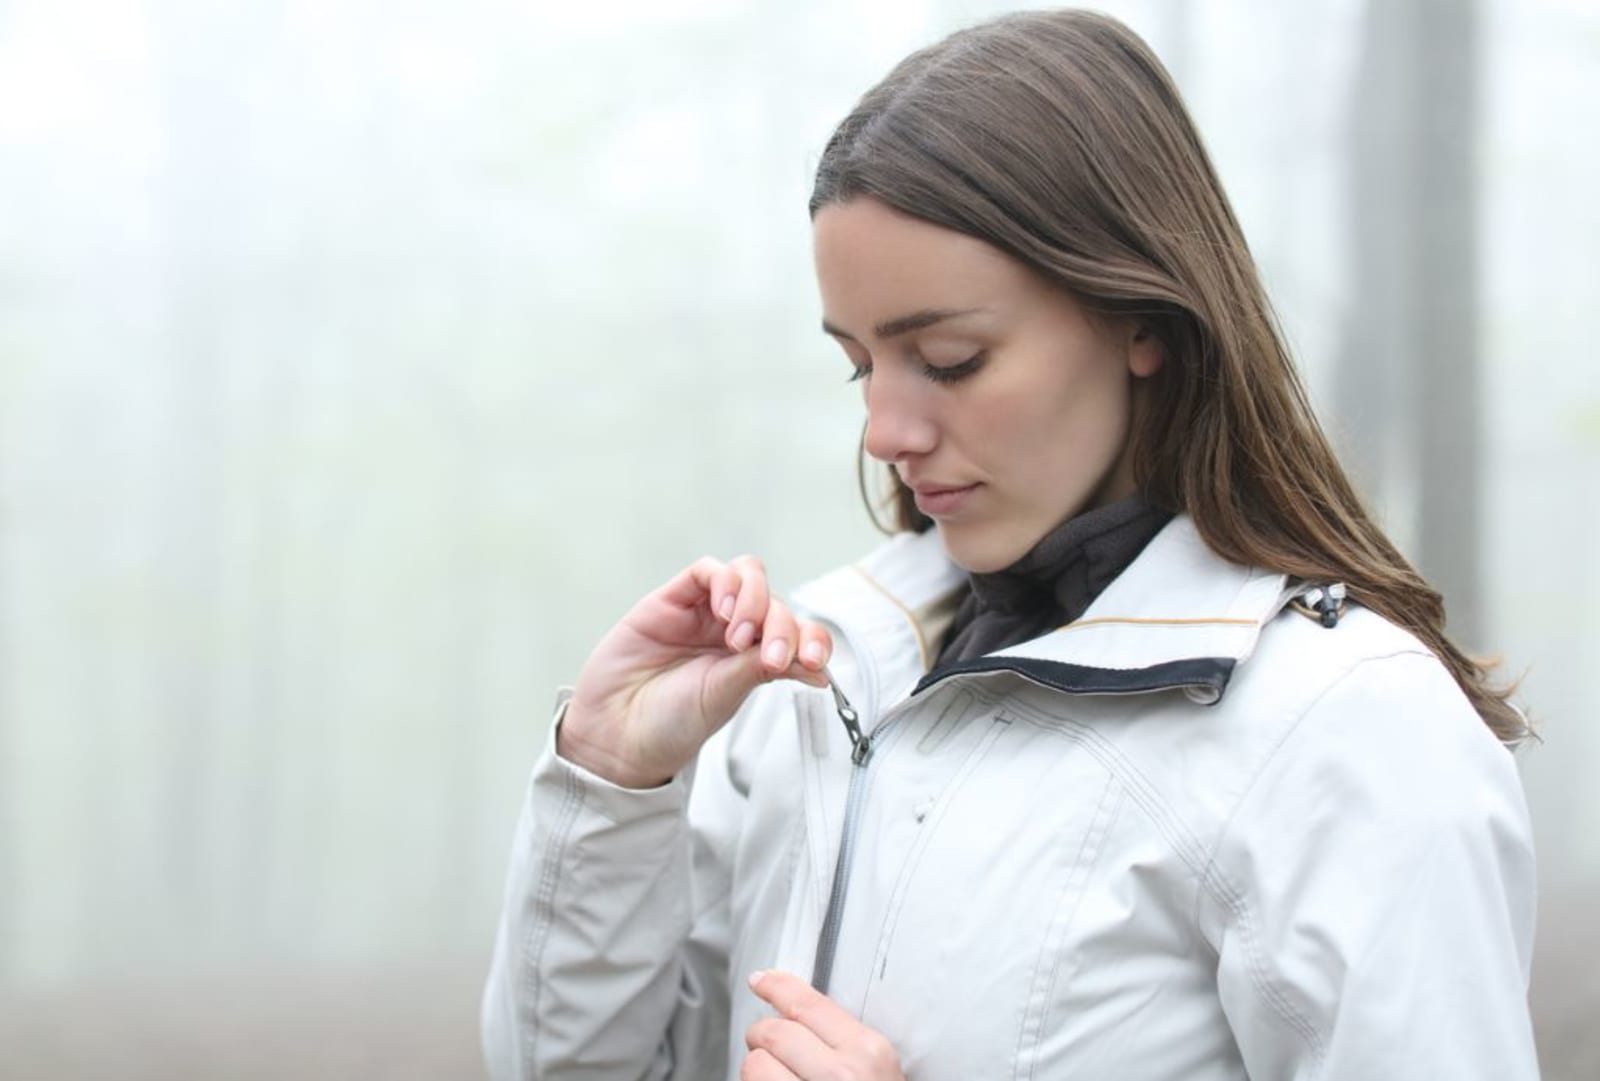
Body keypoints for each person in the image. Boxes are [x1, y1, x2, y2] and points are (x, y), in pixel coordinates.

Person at [481, 10, 1539, 1080]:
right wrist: (612, 781)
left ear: (1140, 318)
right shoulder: (811, 683)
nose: (885, 431)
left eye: (947, 358)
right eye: (860, 365)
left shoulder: (1345, 733)